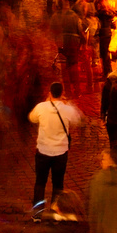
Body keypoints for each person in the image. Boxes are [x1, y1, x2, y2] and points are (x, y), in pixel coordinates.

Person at [29, 81, 83, 214]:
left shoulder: (41, 107)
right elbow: (78, 119)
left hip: (43, 151)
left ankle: (37, 212)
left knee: (40, 182)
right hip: (60, 152)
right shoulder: (67, 109)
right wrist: (68, 105)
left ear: (49, 93)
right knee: (58, 183)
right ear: (62, 93)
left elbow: (32, 118)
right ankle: (56, 209)